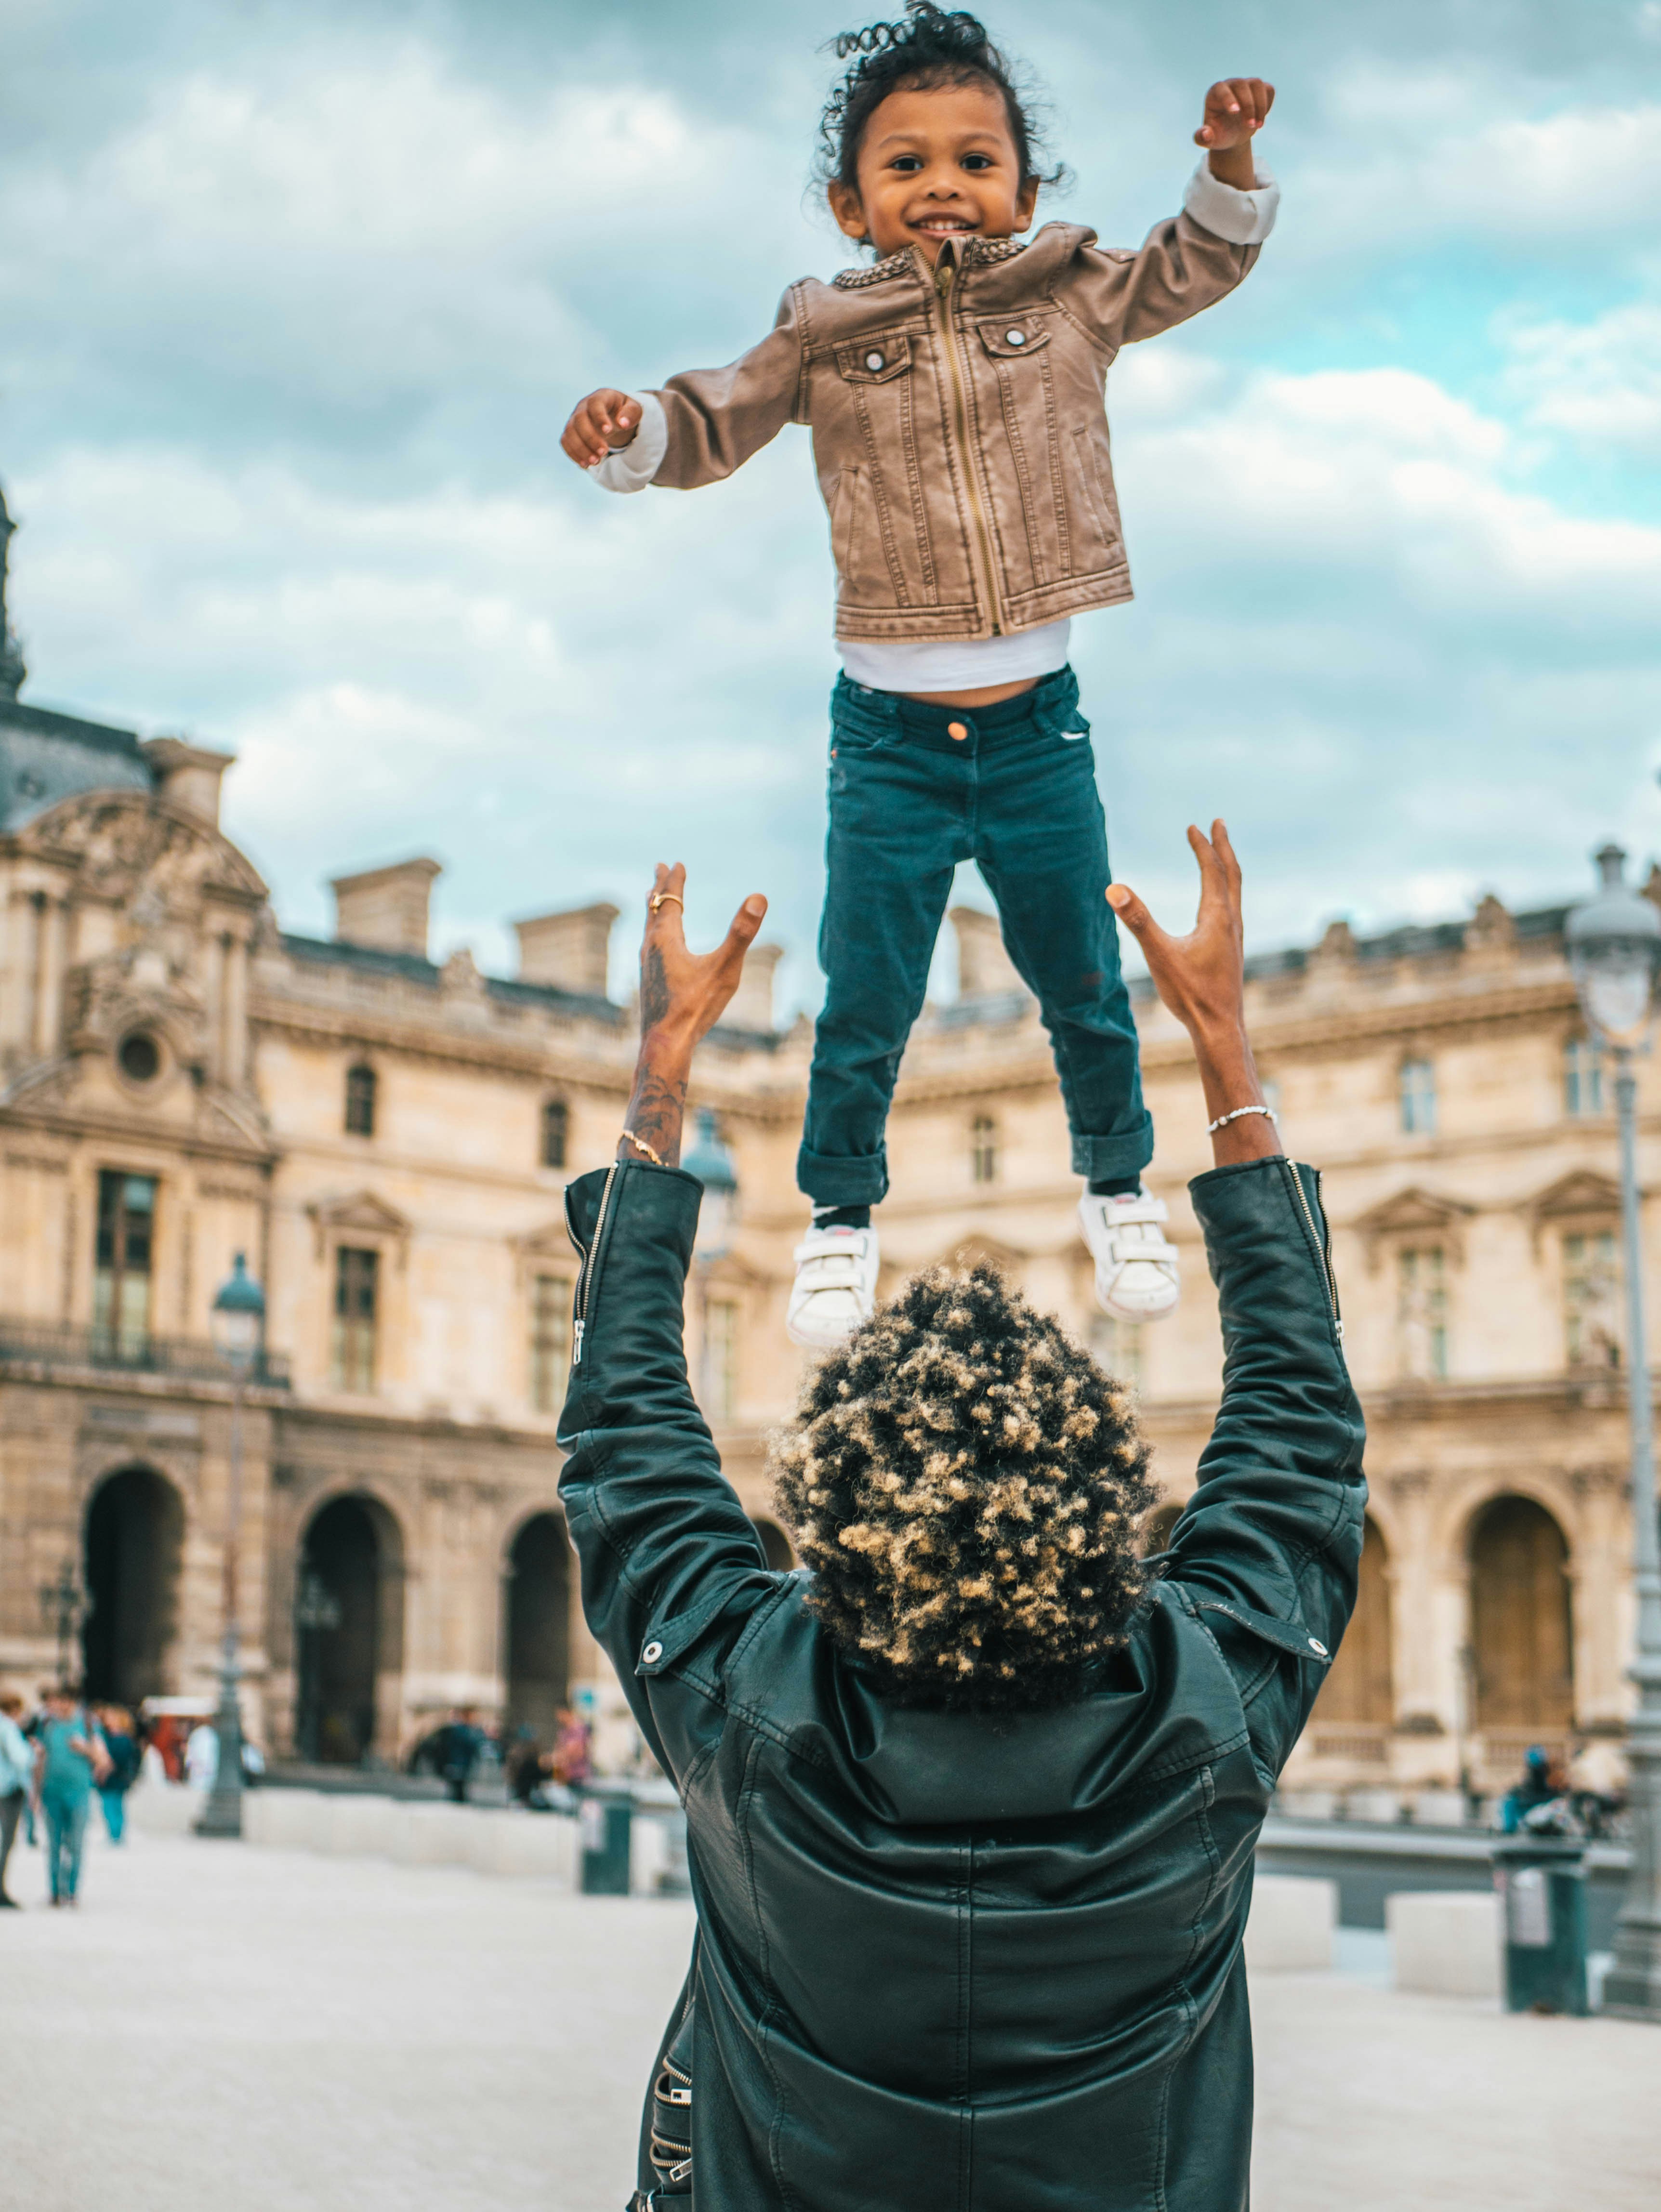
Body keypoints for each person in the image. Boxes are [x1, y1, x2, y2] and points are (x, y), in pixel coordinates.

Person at [558, 833, 1364, 2211]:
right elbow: (1299, 1424)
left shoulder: (739, 1696)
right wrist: (1224, 1055)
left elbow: (627, 1428)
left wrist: (658, 1080)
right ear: (1107, 1498)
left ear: (830, 1510)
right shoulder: (1207, 1697)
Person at [563, 5, 1279, 1351]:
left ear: (1022, 189)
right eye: (905, 167)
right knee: (867, 992)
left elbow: (1193, 268)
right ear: (851, 205)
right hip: (885, 736)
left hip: (1038, 731)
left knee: (1078, 976)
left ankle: (1118, 1189)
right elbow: (717, 416)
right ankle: (839, 1221)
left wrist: (1228, 166)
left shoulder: (1068, 287)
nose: (942, 185)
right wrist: (630, 435)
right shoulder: (824, 330)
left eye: (974, 160)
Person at [34, 1686, 107, 1908]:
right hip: (52, 1792)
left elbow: (103, 1760)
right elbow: (41, 1759)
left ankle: (72, 1891)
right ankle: (55, 1892)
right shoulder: (47, 1724)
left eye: (65, 1702)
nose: (60, 1707)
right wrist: (36, 1792)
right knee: (54, 1844)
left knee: (75, 1844)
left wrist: (84, 1748)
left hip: (79, 1792)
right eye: (58, 1702)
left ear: (74, 1703)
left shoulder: (88, 1725)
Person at [0, 1692, 33, 1906]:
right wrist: (33, 1751)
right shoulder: (8, 1727)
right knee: (6, 1841)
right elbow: (21, 1758)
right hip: (8, 1790)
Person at [94, 1705, 141, 1843]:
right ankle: (115, 1834)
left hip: (116, 1777)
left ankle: (116, 1835)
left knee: (113, 1806)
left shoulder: (122, 1739)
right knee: (112, 1806)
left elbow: (118, 1760)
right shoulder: (107, 1736)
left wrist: (104, 1770)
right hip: (112, 1778)